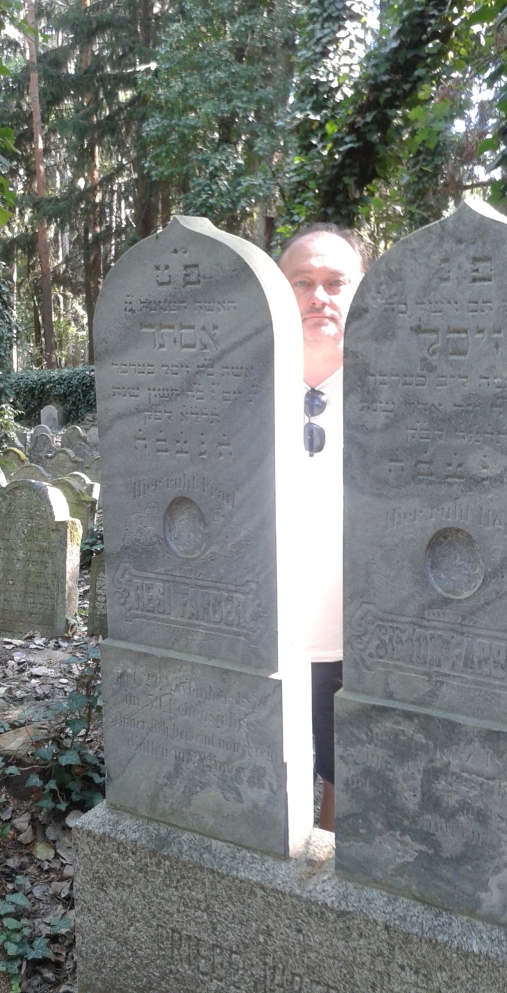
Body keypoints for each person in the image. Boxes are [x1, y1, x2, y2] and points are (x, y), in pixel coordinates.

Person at [278, 224, 367, 831]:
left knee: (346, 791)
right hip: (267, 642)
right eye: (301, 282)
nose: (319, 297)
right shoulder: (244, 387)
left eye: (336, 283)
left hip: (356, 644)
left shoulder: (397, 392)